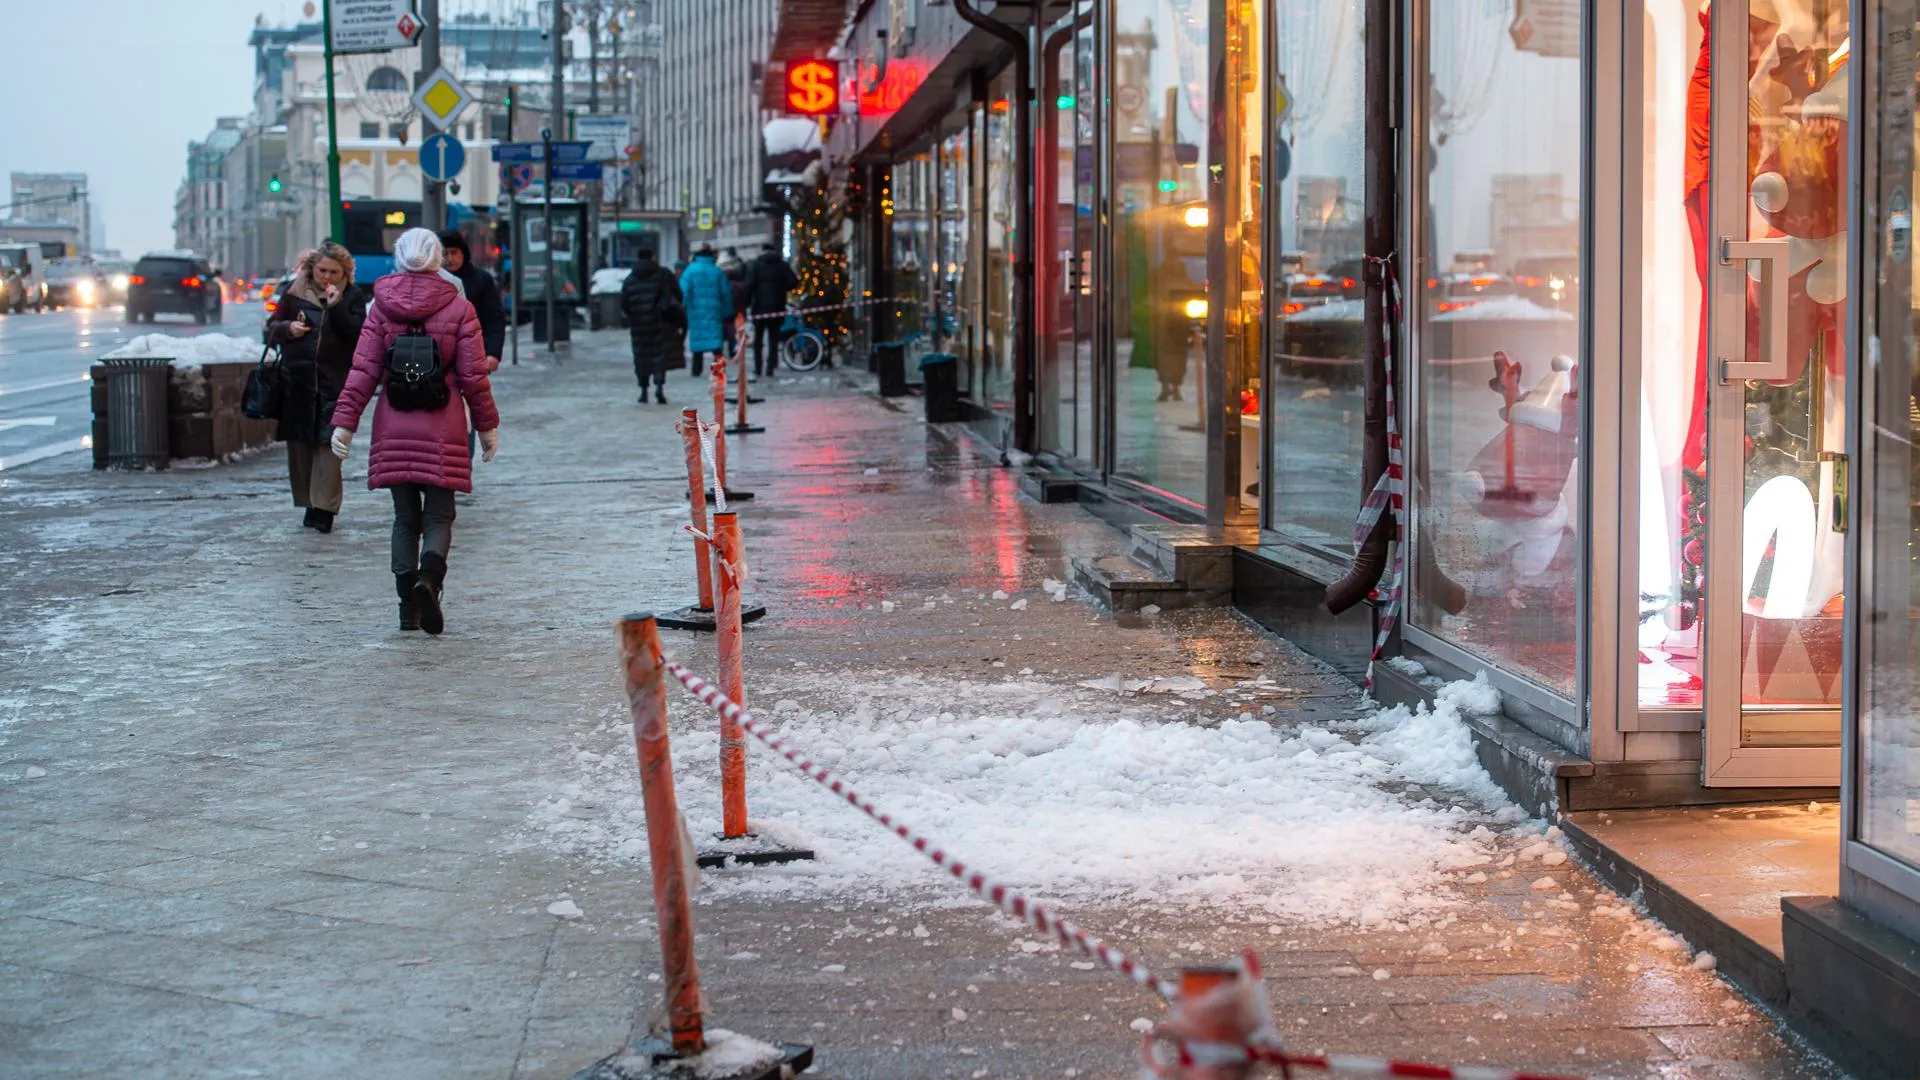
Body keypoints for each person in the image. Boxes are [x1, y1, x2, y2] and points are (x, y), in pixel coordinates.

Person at [330, 228, 500, 636]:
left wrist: (345, 423)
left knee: (405, 518)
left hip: (394, 423)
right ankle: (430, 580)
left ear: (399, 257)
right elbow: (474, 378)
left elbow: (363, 373)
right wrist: (488, 427)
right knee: (440, 514)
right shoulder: (460, 309)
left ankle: (408, 608)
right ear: (438, 259)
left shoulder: (380, 308)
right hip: (444, 425)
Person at [263, 241, 366, 534]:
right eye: (322, 271)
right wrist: (287, 329)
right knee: (301, 447)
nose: (327, 278)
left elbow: (358, 333)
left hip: (335, 382)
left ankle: (325, 508)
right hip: (298, 381)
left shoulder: (352, 296)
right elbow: (271, 328)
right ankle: (308, 502)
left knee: (329, 446)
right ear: (312, 269)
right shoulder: (293, 293)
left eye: (334, 272)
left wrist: (335, 307)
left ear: (345, 273)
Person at [619, 246, 684, 404]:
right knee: (659, 355)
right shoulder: (664, 274)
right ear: (653, 257)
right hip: (660, 322)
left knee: (641, 356)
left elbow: (624, 304)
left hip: (639, 325)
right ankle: (659, 387)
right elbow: (678, 295)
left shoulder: (630, 279)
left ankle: (643, 391)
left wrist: (635, 315)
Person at [437, 229, 504, 372]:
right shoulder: (433, 281)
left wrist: (493, 353)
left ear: (463, 253)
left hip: (474, 354)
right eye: (444, 254)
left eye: (454, 253)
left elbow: (494, 319)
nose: (449, 259)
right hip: (440, 357)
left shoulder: (481, 280)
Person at [743, 242, 800, 380]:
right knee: (773, 338)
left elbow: (749, 285)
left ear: (762, 250)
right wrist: (782, 289)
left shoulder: (755, 265)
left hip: (759, 308)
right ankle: (770, 367)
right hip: (777, 307)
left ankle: (758, 368)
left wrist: (747, 303)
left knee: (758, 339)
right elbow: (793, 282)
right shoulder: (782, 265)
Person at [678, 243, 733, 378]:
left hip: (695, 311)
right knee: (716, 341)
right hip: (714, 311)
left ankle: (696, 370)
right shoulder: (718, 272)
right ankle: (718, 369)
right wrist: (727, 312)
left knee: (697, 340)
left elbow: (683, 292)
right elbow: (726, 293)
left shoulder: (690, 271)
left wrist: (682, 308)